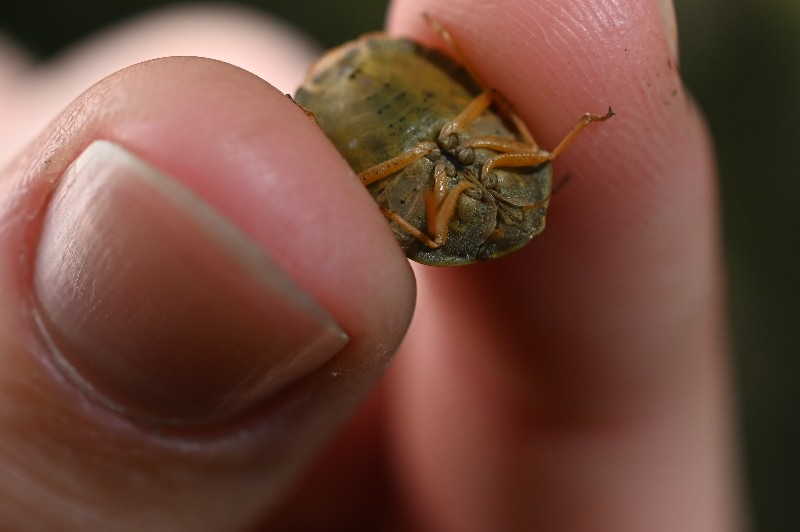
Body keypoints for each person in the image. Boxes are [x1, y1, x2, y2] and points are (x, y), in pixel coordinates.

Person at [0, 0, 743, 530]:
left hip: (399, 141)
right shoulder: (524, 182)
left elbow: (411, 225)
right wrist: (550, 137)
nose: (509, 213)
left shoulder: (476, 222)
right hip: (420, 114)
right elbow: (499, 125)